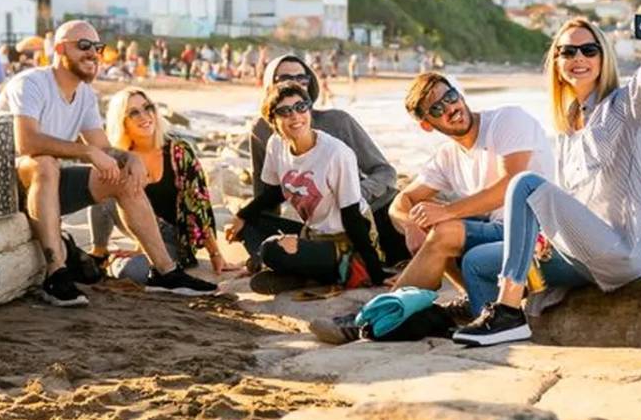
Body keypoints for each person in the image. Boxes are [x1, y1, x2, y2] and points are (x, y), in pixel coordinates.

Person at [451, 15, 641, 347]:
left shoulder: (625, 107)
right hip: (576, 249)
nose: (578, 58)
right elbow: (570, 201)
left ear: (602, 58)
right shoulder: (565, 125)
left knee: (524, 183)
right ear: (557, 62)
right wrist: (541, 236)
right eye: (568, 52)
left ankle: (508, 310)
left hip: (619, 251)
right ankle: (499, 340)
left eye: (588, 50)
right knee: (476, 262)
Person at [308, 72, 555, 344]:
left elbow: (510, 185)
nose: (450, 108)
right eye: (437, 109)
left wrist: (446, 213)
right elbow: (401, 202)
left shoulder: (507, 120)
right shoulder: (447, 157)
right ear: (427, 124)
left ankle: (370, 318)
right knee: (430, 220)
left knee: (443, 227)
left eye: (450, 97)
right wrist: (412, 225)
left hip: (539, 232)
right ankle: (466, 302)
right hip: (498, 233)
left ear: (458, 93)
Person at [0, 20, 217, 307]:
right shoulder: (31, 84)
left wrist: (129, 157)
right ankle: (56, 274)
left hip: (48, 186)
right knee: (44, 163)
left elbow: (101, 147)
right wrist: (87, 153)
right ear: (60, 49)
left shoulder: (86, 94)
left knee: (121, 176)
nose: (92, 53)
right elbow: (27, 143)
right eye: (83, 46)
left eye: (97, 47)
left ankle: (165, 272)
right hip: (5, 186)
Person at [224, 81, 386, 293]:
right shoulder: (275, 145)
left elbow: (352, 216)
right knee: (248, 225)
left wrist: (376, 273)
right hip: (312, 234)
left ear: (309, 109)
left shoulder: (337, 154)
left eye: (301, 107)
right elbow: (274, 193)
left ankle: (305, 273)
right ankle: (305, 273)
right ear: (272, 120)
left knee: (271, 250)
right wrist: (241, 216)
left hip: (346, 242)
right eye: (285, 111)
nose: (295, 116)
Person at [249, 54, 409, 266]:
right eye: (285, 78)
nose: (296, 83)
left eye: (302, 78)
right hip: (320, 229)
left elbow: (385, 172)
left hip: (372, 215)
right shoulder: (261, 131)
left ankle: (341, 265)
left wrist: (354, 195)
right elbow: (265, 195)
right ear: (269, 85)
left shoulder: (338, 121)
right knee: (250, 223)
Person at [87, 88, 230, 283]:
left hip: (171, 237)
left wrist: (215, 254)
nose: (144, 116)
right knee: (100, 180)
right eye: (134, 112)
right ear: (122, 121)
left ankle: (122, 260)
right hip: (137, 225)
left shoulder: (178, 151)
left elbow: (199, 204)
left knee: (132, 272)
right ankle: (99, 254)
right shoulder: (121, 156)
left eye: (148, 108)